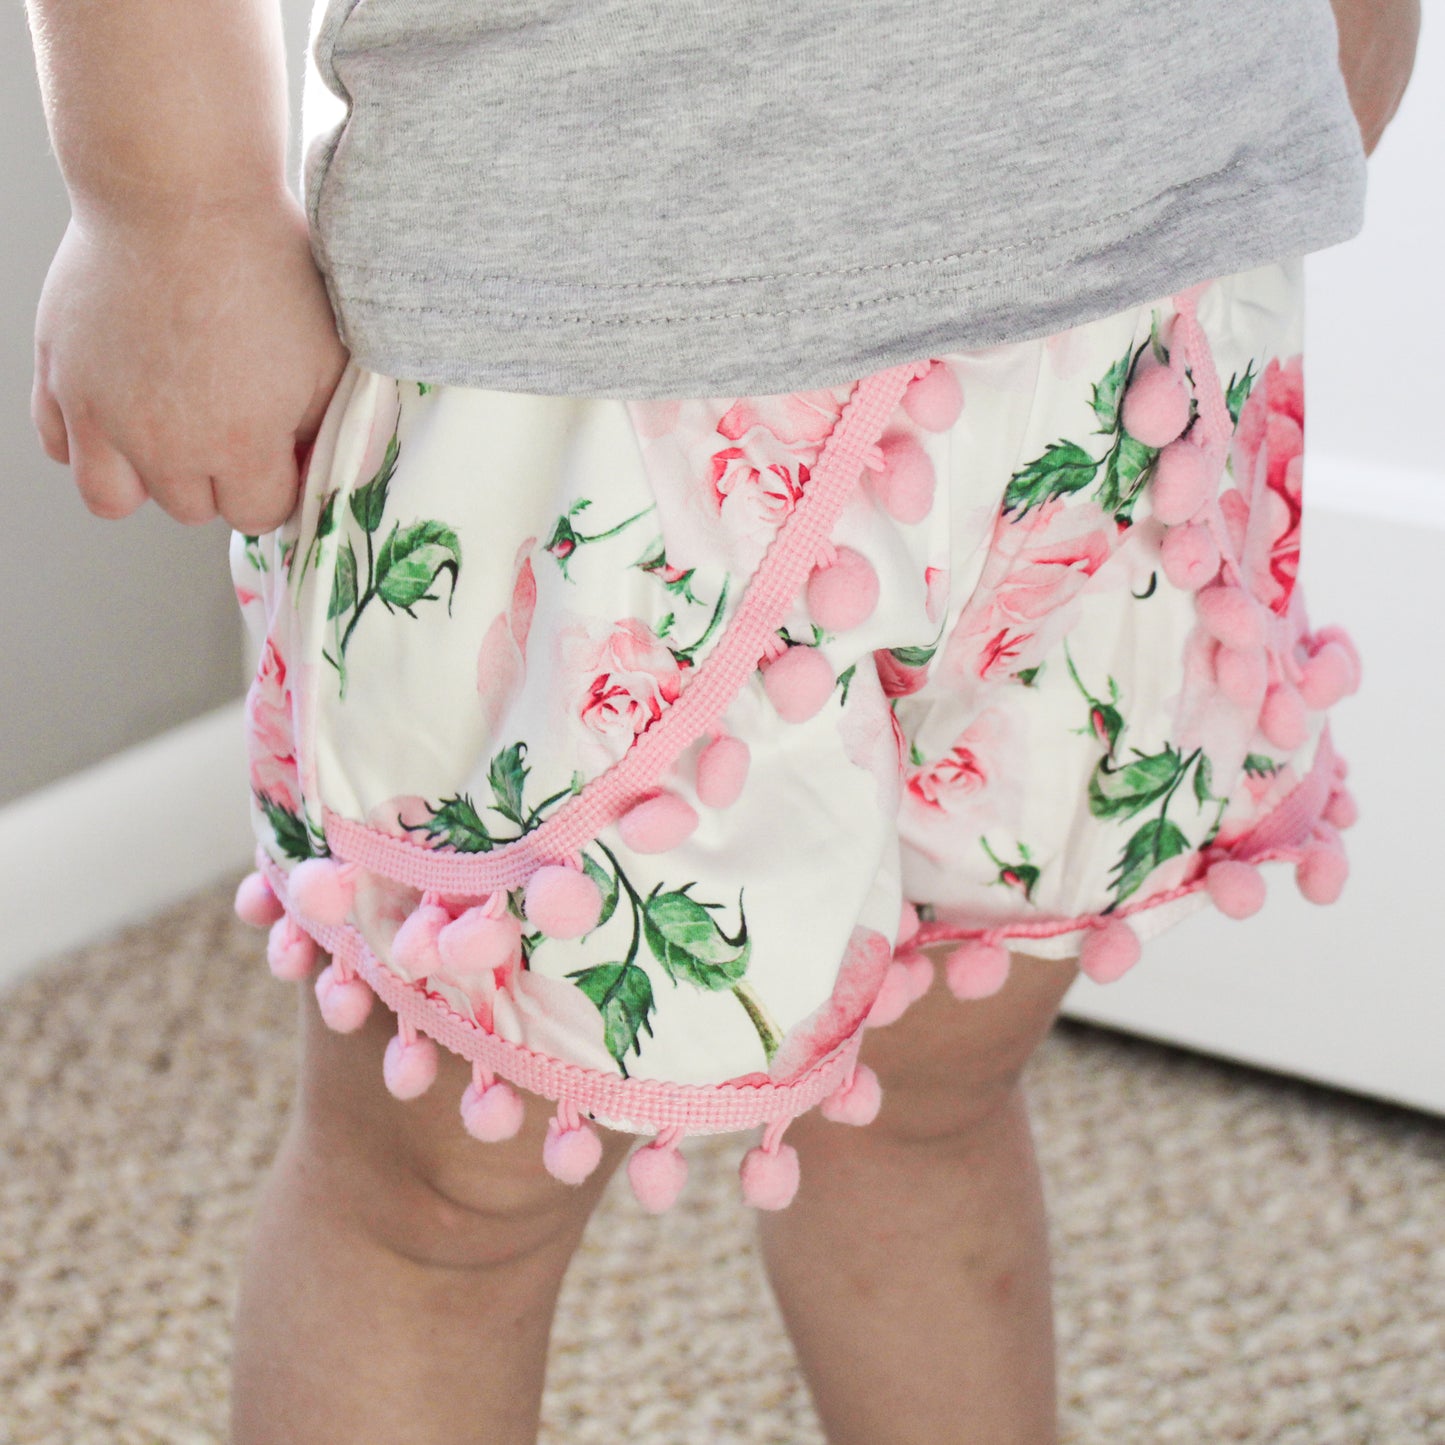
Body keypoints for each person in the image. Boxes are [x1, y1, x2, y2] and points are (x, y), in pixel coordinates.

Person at [23, 0, 1420, 1441]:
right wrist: (167, 198)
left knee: (936, 1075)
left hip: (1139, 253)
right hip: (584, 324)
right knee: (442, 1193)